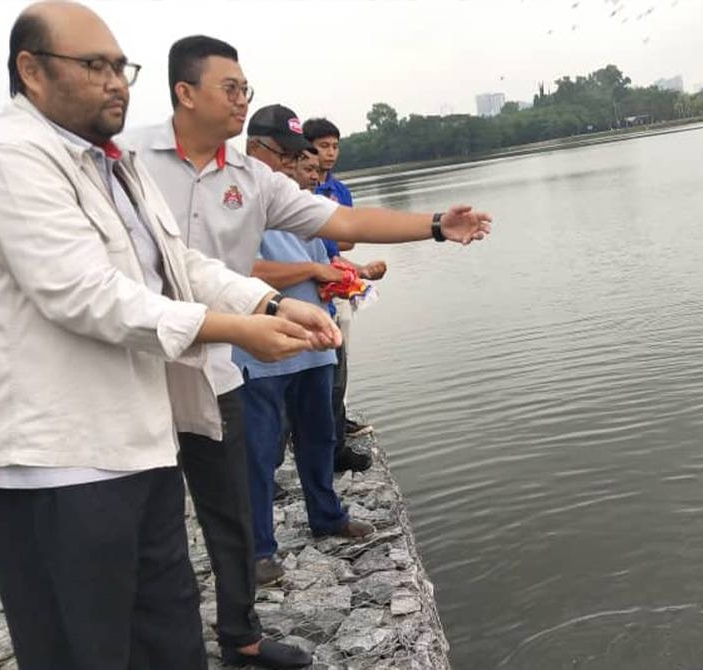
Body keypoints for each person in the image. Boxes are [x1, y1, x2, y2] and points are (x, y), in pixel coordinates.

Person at [0, 4, 338, 670]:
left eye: (121, 67)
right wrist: (234, 329)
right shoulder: (9, 157)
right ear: (30, 71)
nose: (116, 82)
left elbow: (179, 263)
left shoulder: (110, 164)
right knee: (88, 646)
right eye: (94, 65)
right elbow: (85, 294)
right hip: (52, 455)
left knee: (167, 632)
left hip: (135, 436)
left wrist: (267, 301)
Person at [124, 35, 490, 664]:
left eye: (247, 90)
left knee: (231, 502)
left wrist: (432, 226)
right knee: (143, 516)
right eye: (230, 88)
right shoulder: (128, 160)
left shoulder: (252, 180)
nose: (241, 99)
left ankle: (240, 636)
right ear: (184, 92)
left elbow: (341, 223)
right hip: (134, 359)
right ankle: (149, 645)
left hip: (220, 360)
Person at [240, 103, 377, 584]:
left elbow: (326, 262)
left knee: (320, 437)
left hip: (316, 342)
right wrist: (311, 271)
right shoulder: (234, 205)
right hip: (261, 350)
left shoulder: (308, 207)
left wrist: (348, 278)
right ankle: (258, 549)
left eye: (302, 158)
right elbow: (242, 272)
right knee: (257, 452)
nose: (298, 168)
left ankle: (328, 516)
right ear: (256, 149)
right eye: (288, 156)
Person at [304, 117, 378, 469]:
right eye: (323, 146)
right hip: (308, 284)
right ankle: (317, 436)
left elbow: (347, 237)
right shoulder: (297, 188)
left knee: (340, 349)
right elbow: (333, 235)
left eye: (335, 146)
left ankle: (337, 420)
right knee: (320, 359)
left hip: (336, 275)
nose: (329, 153)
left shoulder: (339, 190)